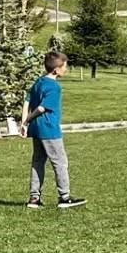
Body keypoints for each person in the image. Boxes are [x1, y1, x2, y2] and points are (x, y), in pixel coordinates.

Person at [21, 51, 86, 210]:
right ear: (56, 70)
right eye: (64, 66)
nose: (66, 69)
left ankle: (34, 199)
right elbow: (41, 108)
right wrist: (27, 119)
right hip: (49, 129)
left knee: (38, 162)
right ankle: (65, 197)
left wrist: (24, 122)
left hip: (37, 129)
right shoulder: (54, 87)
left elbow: (27, 100)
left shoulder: (39, 81)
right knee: (60, 162)